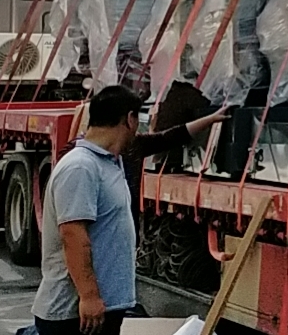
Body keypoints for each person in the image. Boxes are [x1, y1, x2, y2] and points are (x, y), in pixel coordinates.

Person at [31, 86, 232, 335]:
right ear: (129, 119)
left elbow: (168, 138)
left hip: (100, 310)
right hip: (75, 314)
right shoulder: (81, 166)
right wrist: (89, 296)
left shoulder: (111, 161)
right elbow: (72, 235)